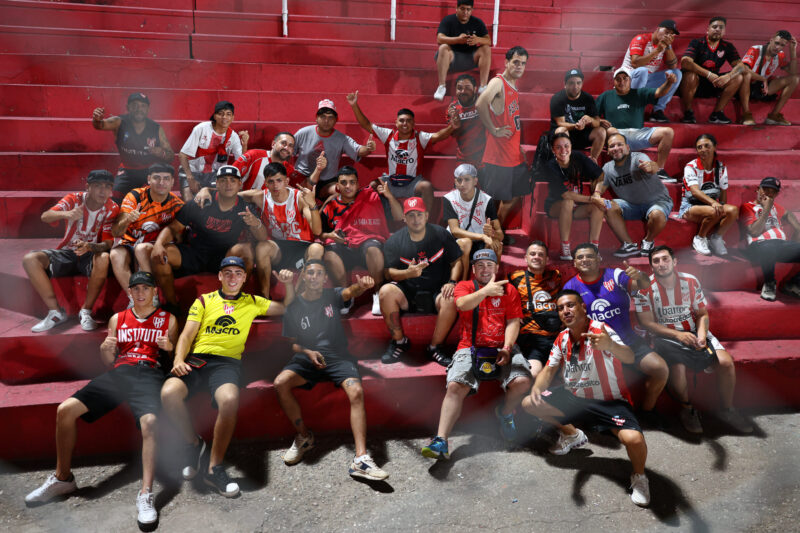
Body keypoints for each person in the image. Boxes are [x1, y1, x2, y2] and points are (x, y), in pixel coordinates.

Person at [24, 271, 178, 527]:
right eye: (136, 288)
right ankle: (63, 479)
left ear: (154, 291)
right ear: (130, 292)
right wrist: (105, 350)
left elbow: (172, 360)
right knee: (65, 410)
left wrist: (169, 348)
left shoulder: (168, 319)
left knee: (150, 423)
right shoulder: (118, 318)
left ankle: (145, 493)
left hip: (149, 373)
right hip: (120, 372)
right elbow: (108, 360)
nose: (141, 293)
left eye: (146, 288)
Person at [160, 257, 293, 497]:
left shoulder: (252, 301)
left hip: (226, 363)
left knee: (229, 400)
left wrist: (289, 285)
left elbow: (286, 308)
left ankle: (213, 468)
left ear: (244, 278)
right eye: (228, 272)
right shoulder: (204, 300)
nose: (233, 277)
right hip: (198, 359)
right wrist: (178, 359)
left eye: (238, 273)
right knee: (168, 393)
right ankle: (193, 444)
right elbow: (187, 335)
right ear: (220, 276)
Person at [521, 290, 651, 507]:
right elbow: (549, 370)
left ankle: (639, 477)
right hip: (574, 397)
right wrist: (537, 388)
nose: (565, 311)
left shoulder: (601, 330)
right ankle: (572, 435)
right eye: (561, 308)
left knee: (634, 440)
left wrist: (610, 346)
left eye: (570, 305)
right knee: (529, 403)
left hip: (609, 401)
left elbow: (629, 356)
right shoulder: (562, 337)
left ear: (583, 307)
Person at [274, 261, 389, 480]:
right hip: (307, 357)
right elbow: (292, 344)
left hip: (338, 357)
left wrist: (361, 286)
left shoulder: (332, 295)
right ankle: (304, 437)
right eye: (310, 272)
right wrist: (308, 352)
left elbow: (350, 291)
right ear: (303, 276)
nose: (315, 276)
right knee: (280, 383)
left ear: (325, 278)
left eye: (319, 273)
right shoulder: (294, 306)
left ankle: (361, 459)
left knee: (356, 391)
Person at [422, 248, 532, 460]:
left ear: (496, 267)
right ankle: (441, 440)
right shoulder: (464, 286)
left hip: (501, 345)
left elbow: (513, 321)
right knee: (456, 385)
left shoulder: (508, 289)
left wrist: (507, 347)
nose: (485, 269)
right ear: (473, 269)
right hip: (470, 346)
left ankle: (505, 413)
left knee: (522, 381)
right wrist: (485, 291)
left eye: (489, 265)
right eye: (480, 265)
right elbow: (462, 304)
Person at [635, 246, 753, 434]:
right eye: (656, 261)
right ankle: (687, 409)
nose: (661, 264)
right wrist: (678, 335)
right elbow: (647, 323)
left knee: (726, 363)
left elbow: (702, 314)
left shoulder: (690, 281)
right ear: (651, 266)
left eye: (665, 259)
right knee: (678, 369)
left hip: (694, 330)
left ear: (674, 262)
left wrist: (701, 336)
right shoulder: (644, 289)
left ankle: (727, 409)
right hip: (666, 336)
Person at [563, 243, 669, 427]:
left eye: (589, 256)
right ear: (574, 262)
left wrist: (641, 276)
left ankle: (647, 412)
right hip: (596, 347)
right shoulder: (570, 287)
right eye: (580, 257)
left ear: (598, 259)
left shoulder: (615, 275)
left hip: (628, 341)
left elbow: (643, 284)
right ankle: (602, 418)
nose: (585, 260)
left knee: (660, 369)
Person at [150, 165, 266, 311]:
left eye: (232, 180)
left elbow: (262, 237)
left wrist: (256, 224)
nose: (228, 184)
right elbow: (173, 228)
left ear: (240, 184)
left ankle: (231, 302)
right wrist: (159, 244)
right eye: (223, 180)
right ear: (216, 184)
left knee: (246, 250)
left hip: (223, 258)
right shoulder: (201, 201)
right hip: (195, 253)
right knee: (160, 254)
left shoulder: (245, 207)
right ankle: (172, 305)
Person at [23, 170, 119, 332]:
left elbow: (108, 243)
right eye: (98, 186)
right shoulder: (74, 199)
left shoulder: (112, 208)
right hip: (67, 252)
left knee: (103, 257)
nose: (103, 191)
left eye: (107, 186)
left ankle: (86, 311)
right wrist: (66, 214)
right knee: (30, 259)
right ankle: (55, 312)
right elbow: (45, 216)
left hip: (90, 254)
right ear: (87, 187)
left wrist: (89, 246)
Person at [379, 197, 463, 366]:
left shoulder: (440, 234)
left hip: (437, 291)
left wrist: (452, 282)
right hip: (408, 293)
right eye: (411, 215)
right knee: (385, 292)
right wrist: (407, 273)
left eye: (419, 214)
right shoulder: (395, 241)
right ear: (404, 218)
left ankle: (435, 347)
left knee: (450, 298)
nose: (415, 219)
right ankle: (399, 342)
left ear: (426, 215)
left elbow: (457, 261)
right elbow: (388, 273)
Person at [347, 91, 452, 213]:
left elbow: (439, 136)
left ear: (413, 123)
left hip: (412, 183)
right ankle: (365, 217)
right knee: (372, 185)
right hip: (391, 182)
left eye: (408, 121)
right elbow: (366, 124)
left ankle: (425, 219)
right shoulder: (388, 135)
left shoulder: (420, 137)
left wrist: (452, 127)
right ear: (396, 123)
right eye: (401, 120)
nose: (405, 123)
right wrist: (354, 105)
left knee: (427, 186)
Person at [232, 162, 323, 299]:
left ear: (287, 181)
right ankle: (265, 298)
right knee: (262, 247)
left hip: (302, 247)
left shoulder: (299, 197)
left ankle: (298, 299)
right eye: (271, 181)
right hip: (278, 249)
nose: (275, 185)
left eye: (279, 180)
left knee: (317, 249)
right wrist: (207, 190)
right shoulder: (259, 196)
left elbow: (317, 231)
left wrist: (313, 205)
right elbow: (230, 194)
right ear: (266, 183)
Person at [320, 166, 402, 315]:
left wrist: (390, 196)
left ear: (358, 184)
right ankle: (345, 296)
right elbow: (319, 233)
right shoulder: (331, 204)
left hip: (367, 246)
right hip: (344, 247)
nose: (348, 186)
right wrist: (329, 236)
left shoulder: (373, 197)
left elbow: (400, 217)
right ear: (337, 186)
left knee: (373, 248)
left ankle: (378, 294)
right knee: (330, 253)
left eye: (352, 182)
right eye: (344, 183)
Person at [590, 133, 674, 258]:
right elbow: (601, 184)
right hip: (631, 205)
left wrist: (652, 166)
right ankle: (629, 245)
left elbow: (650, 164)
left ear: (628, 148)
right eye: (612, 146)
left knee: (657, 214)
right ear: (608, 151)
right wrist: (597, 194)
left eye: (620, 144)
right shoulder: (607, 168)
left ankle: (648, 241)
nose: (616, 148)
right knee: (607, 205)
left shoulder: (638, 158)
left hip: (657, 202)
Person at [110, 163, 184, 302]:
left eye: (166, 178)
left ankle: (152, 298)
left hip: (152, 249)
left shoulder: (177, 205)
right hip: (130, 244)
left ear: (172, 182)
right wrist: (127, 220)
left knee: (142, 249)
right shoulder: (135, 196)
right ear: (149, 179)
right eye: (157, 178)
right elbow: (116, 232)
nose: (161, 182)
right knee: (115, 254)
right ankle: (134, 299)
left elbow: (180, 239)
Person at [476, 46, 530, 227]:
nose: (519, 66)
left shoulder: (513, 84)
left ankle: (496, 232)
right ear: (506, 62)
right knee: (493, 201)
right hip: (499, 156)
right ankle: (492, 235)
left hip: (513, 155)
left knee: (515, 195)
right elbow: (480, 103)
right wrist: (493, 129)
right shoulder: (498, 82)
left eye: (523, 63)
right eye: (515, 62)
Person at [91, 92, 175, 203]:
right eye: (135, 105)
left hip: (148, 171)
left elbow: (171, 156)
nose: (139, 109)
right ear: (128, 108)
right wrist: (97, 119)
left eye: (143, 106)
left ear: (148, 109)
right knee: (114, 196)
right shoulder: (119, 122)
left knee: (151, 199)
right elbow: (100, 125)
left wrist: (161, 153)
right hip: (127, 170)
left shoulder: (156, 128)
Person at [596, 68, 676, 181]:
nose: (622, 81)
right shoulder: (606, 96)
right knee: (610, 130)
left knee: (668, 132)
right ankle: (620, 170)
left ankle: (659, 170)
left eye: (625, 78)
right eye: (618, 79)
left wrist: (669, 83)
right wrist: (599, 121)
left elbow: (659, 92)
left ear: (630, 80)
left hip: (638, 133)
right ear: (613, 81)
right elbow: (593, 115)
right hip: (616, 133)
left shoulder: (639, 93)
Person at [293, 99, 376, 198]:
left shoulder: (342, 138)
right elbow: (289, 152)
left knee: (340, 190)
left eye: (330, 118)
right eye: (323, 117)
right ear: (316, 118)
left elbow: (358, 151)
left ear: (336, 120)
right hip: (303, 177)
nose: (326, 121)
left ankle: (323, 207)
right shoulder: (303, 133)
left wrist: (368, 148)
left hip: (326, 182)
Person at [542, 132, 605, 260]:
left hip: (577, 206)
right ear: (553, 150)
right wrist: (591, 199)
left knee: (597, 206)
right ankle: (565, 248)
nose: (563, 150)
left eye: (566, 146)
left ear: (571, 146)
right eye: (558, 147)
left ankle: (594, 249)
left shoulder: (578, 157)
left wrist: (597, 193)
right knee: (568, 202)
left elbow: (601, 175)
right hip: (556, 206)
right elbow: (566, 195)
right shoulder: (550, 166)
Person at [507, 241, 562, 380]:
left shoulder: (555, 276)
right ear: (525, 258)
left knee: (570, 373)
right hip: (532, 338)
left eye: (541, 254)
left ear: (547, 259)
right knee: (534, 373)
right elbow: (505, 300)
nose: (536, 257)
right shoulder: (515, 277)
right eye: (532, 254)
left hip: (557, 337)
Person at [678, 134, 739, 256]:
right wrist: (715, 204)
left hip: (711, 205)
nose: (703, 149)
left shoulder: (721, 167)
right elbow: (695, 191)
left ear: (715, 147)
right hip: (690, 207)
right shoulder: (691, 167)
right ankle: (699, 238)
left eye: (707, 146)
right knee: (714, 211)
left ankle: (716, 238)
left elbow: (723, 191)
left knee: (733, 210)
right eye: (699, 147)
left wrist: (723, 208)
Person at [679, 16, 748, 125]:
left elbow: (741, 66)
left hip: (713, 83)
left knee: (738, 77)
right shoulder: (697, 42)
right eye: (714, 27)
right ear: (708, 29)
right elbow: (685, 62)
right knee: (690, 76)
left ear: (724, 31)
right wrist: (708, 74)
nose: (717, 29)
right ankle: (688, 112)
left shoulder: (727, 46)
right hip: (694, 83)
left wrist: (728, 76)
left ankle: (717, 113)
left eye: (721, 27)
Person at [740, 177, 800, 301]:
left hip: (781, 245)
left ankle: (793, 284)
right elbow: (754, 232)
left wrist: (798, 229)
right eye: (765, 189)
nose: (768, 193)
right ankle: (769, 283)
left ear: (776, 194)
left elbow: (788, 213)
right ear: (758, 189)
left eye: (773, 191)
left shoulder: (776, 207)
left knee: (775, 246)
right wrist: (767, 208)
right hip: (759, 245)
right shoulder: (747, 207)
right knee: (769, 246)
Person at [178, 101, 249, 201]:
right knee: (189, 201)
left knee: (219, 203)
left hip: (215, 175)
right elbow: (182, 155)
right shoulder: (201, 128)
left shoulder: (233, 137)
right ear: (215, 116)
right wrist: (190, 178)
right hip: (192, 171)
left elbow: (241, 162)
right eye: (221, 114)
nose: (224, 117)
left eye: (228, 114)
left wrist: (244, 144)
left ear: (233, 117)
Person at [442, 163, 503, 280]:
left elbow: (500, 234)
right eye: (459, 180)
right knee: (465, 242)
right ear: (455, 181)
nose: (462, 184)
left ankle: (491, 281)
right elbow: (455, 231)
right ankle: (463, 281)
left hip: (478, 241)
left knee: (497, 245)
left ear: (475, 181)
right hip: (456, 241)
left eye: (467, 179)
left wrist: (493, 234)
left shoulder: (486, 200)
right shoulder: (449, 198)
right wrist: (482, 236)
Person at [621, 20, 683, 123]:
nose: (668, 35)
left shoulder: (665, 45)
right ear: (658, 29)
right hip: (629, 80)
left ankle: (658, 111)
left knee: (676, 74)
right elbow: (635, 63)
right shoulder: (641, 39)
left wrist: (668, 46)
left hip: (647, 81)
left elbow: (673, 65)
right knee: (642, 71)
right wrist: (657, 51)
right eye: (666, 31)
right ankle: (632, 109)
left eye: (671, 34)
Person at [433, 0, 491, 101]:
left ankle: (483, 86)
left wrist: (477, 39)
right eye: (462, 9)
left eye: (468, 9)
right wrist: (458, 40)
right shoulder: (448, 20)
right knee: (443, 47)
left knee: (486, 48)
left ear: (472, 10)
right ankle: (441, 86)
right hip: (452, 58)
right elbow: (439, 39)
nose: (465, 12)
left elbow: (488, 40)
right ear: (456, 8)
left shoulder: (477, 22)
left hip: (471, 58)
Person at [740, 30, 799, 126]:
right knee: (746, 75)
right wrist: (763, 79)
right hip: (746, 84)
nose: (778, 47)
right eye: (776, 43)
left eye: (782, 45)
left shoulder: (780, 55)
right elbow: (744, 70)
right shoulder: (756, 49)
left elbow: (793, 72)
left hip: (762, 87)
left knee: (794, 79)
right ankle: (746, 114)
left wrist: (792, 51)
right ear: (771, 40)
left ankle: (774, 115)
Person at [550, 68, 607, 162]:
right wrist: (576, 126)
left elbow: (597, 122)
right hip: (565, 133)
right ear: (565, 84)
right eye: (571, 83)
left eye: (578, 83)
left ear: (582, 84)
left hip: (582, 134)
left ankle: (592, 162)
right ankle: (563, 162)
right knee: (561, 130)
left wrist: (591, 120)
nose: (575, 86)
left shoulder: (588, 98)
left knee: (601, 131)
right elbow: (560, 123)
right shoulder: (557, 98)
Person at [446, 74, 487, 168]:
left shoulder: (483, 102)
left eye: (467, 88)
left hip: (486, 156)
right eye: (459, 88)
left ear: (475, 89)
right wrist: (455, 125)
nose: (463, 91)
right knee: (463, 177)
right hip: (464, 158)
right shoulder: (452, 109)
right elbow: (455, 135)